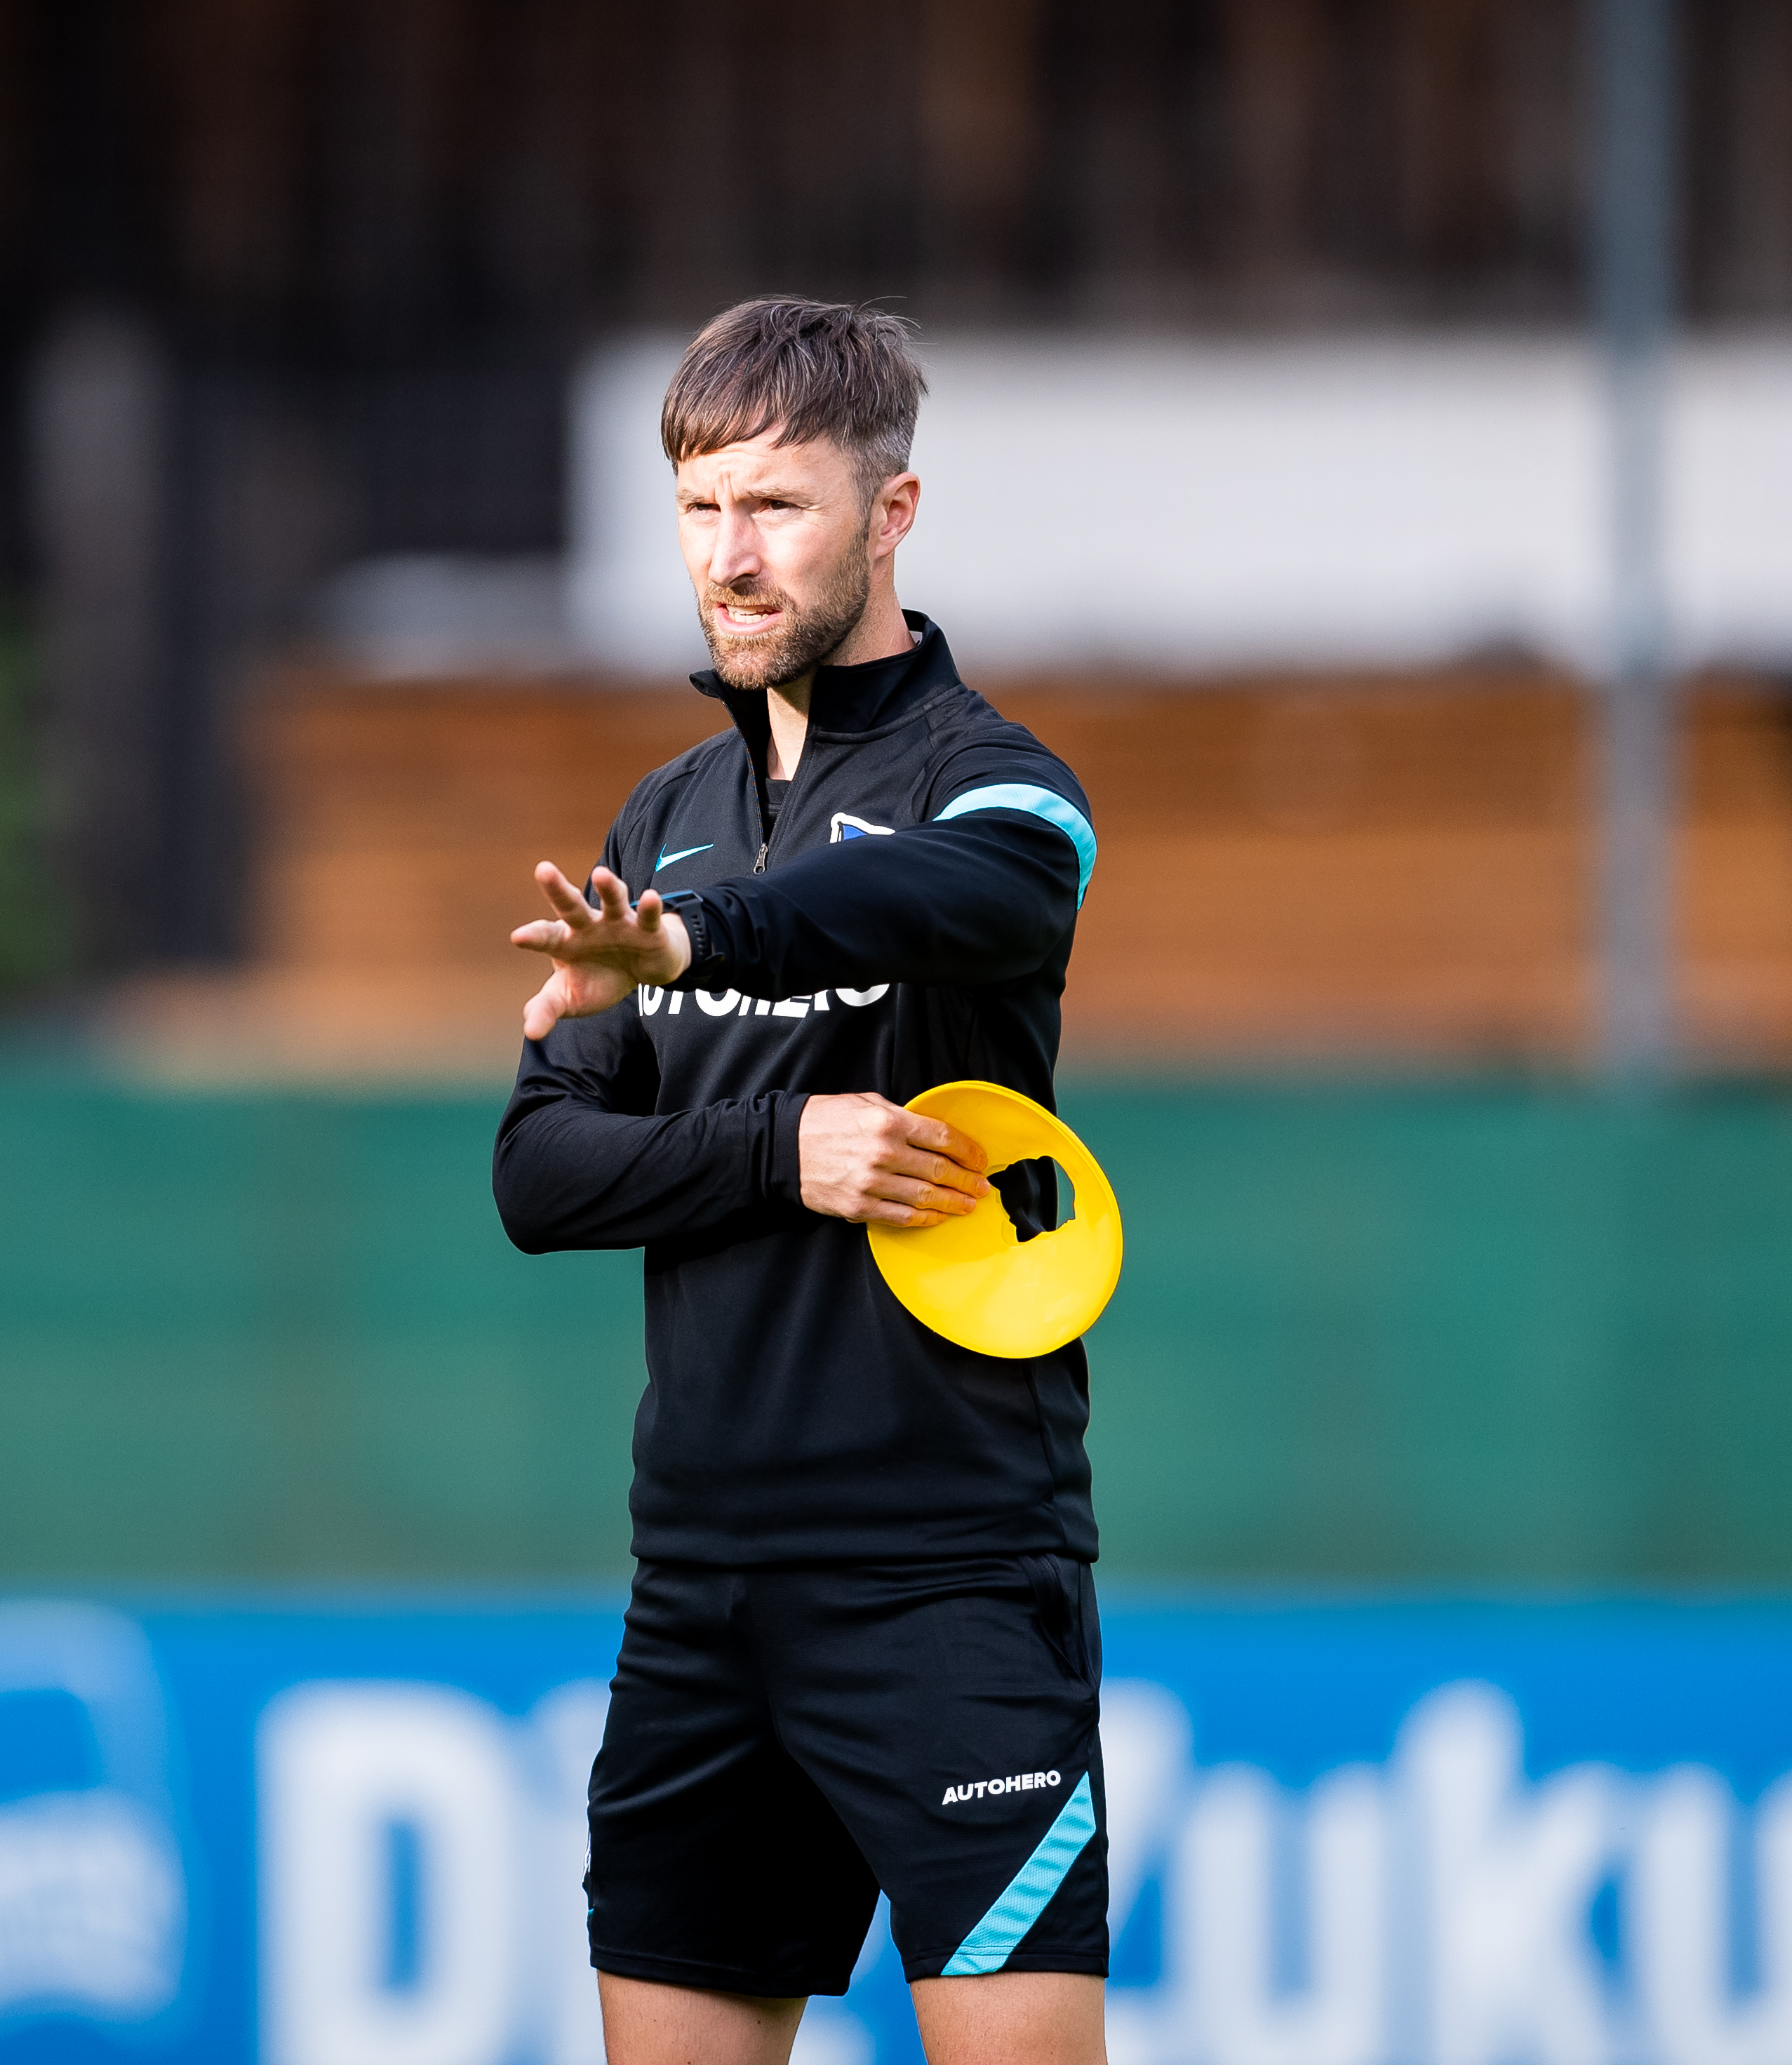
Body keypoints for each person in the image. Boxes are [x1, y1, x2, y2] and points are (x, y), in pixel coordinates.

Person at [493, 298, 1106, 2065]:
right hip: (698, 1592)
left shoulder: (1004, 797)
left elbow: (911, 899)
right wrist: (784, 1149)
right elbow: (543, 1171)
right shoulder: (655, 821)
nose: (728, 556)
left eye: (776, 507)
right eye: (699, 508)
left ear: (892, 513)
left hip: (949, 1582)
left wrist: (694, 947)